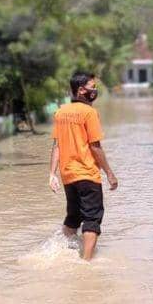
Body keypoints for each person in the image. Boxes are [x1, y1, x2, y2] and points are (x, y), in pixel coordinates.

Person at [48, 72, 119, 261]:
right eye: (92, 87)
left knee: (73, 217)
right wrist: (110, 174)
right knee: (92, 219)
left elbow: (57, 146)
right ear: (81, 90)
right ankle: (86, 263)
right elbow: (95, 147)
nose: (95, 91)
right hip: (87, 174)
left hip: (68, 176)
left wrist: (52, 174)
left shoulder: (60, 112)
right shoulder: (89, 113)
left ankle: (60, 252)